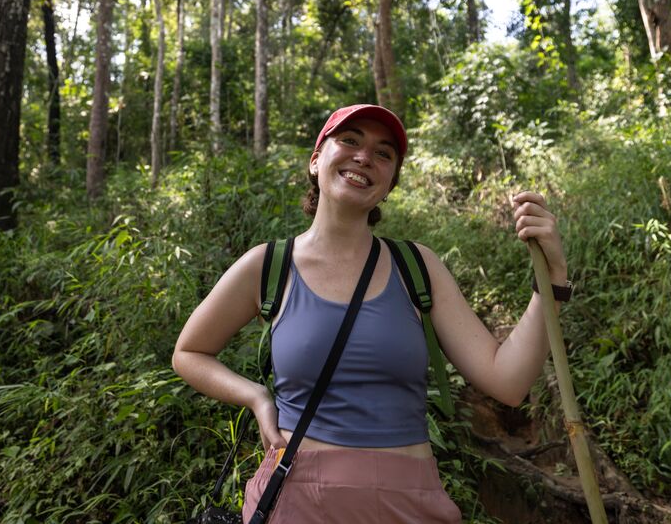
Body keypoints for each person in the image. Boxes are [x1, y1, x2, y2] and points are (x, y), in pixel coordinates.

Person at [172, 104, 571, 523]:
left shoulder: (417, 266)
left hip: (410, 505)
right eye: (349, 140)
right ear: (316, 159)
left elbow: (507, 382)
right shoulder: (268, 265)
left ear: (389, 184)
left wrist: (553, 279)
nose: (365, 156)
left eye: (384, 153)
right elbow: (189, 352)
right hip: (295, 499)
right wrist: (256, 397)